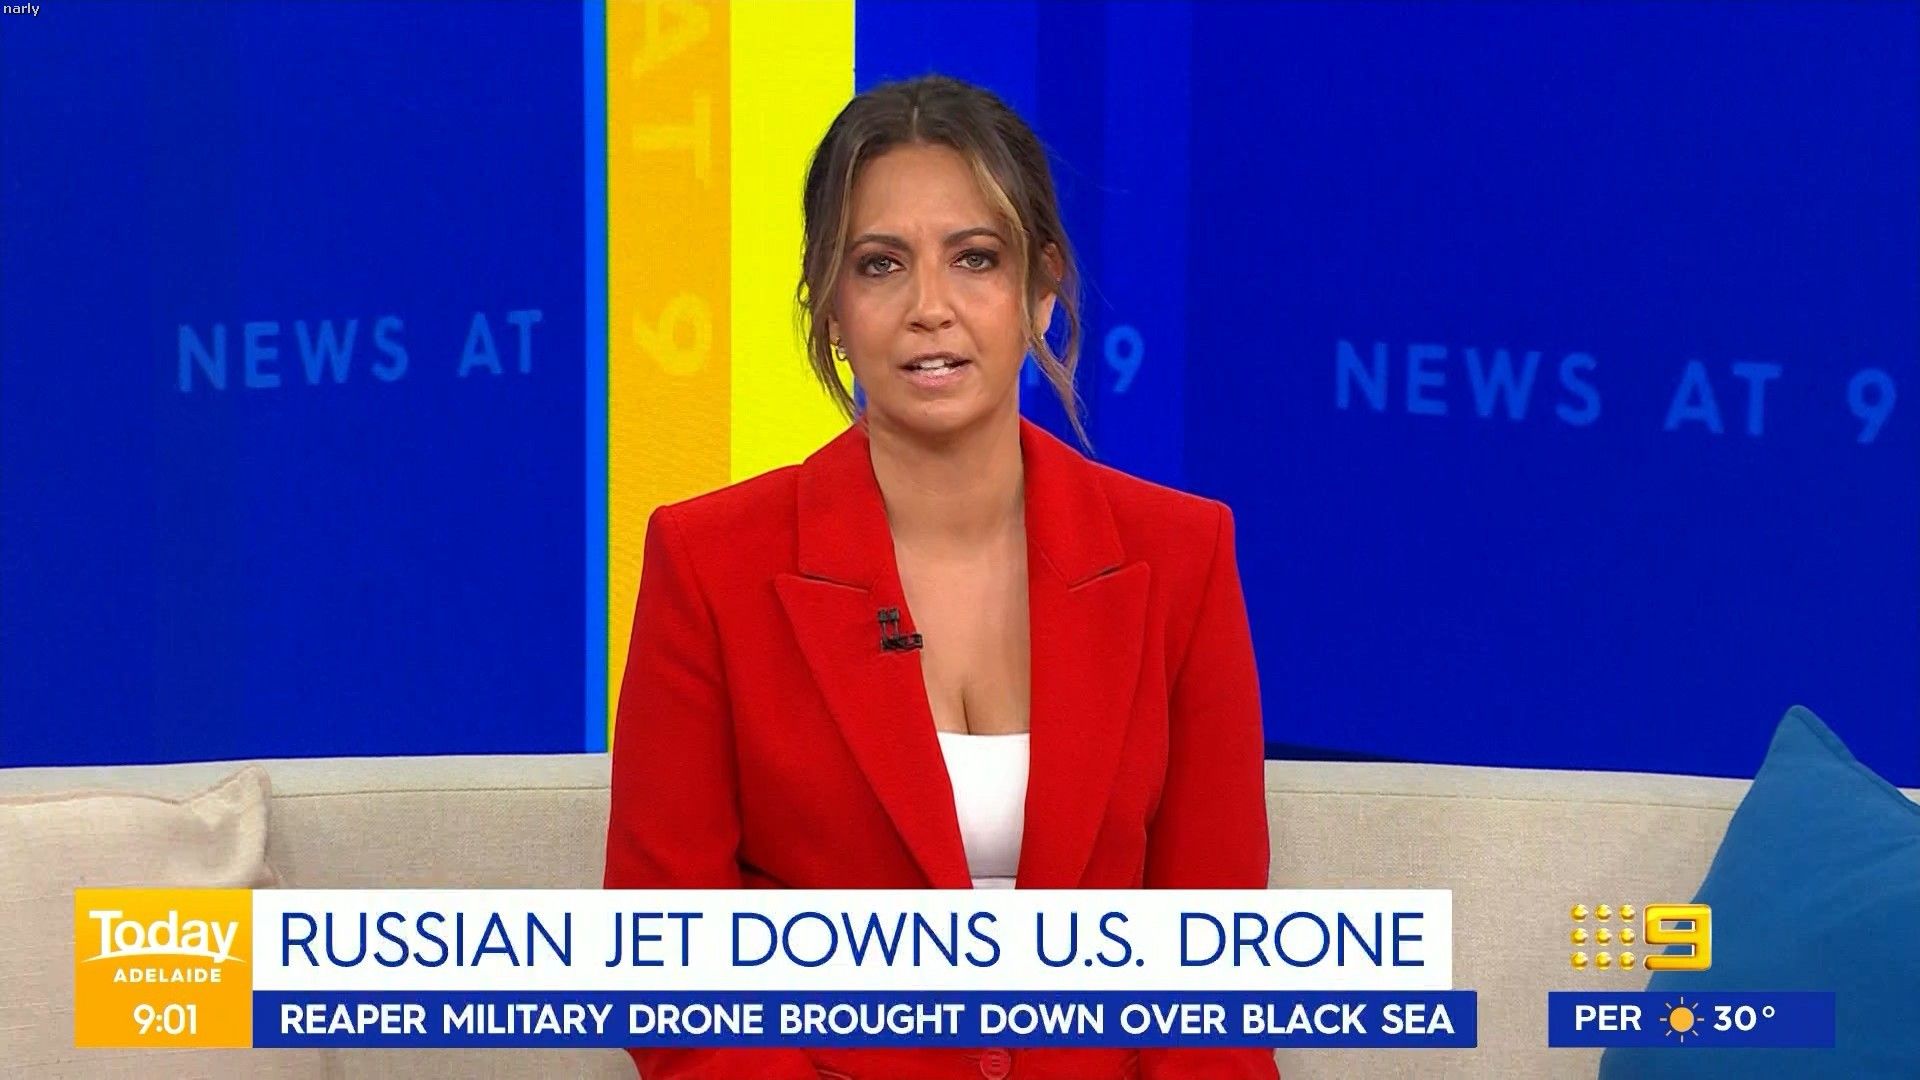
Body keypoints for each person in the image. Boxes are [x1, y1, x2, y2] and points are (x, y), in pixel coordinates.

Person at [604, 74, 1277, 1080]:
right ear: (830, 307)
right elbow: (669, 973)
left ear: (1040, 288)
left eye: (975, 259)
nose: (930, 309)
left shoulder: (1181, 556)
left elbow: (1211, 983)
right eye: (880, 265)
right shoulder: (709, 564)